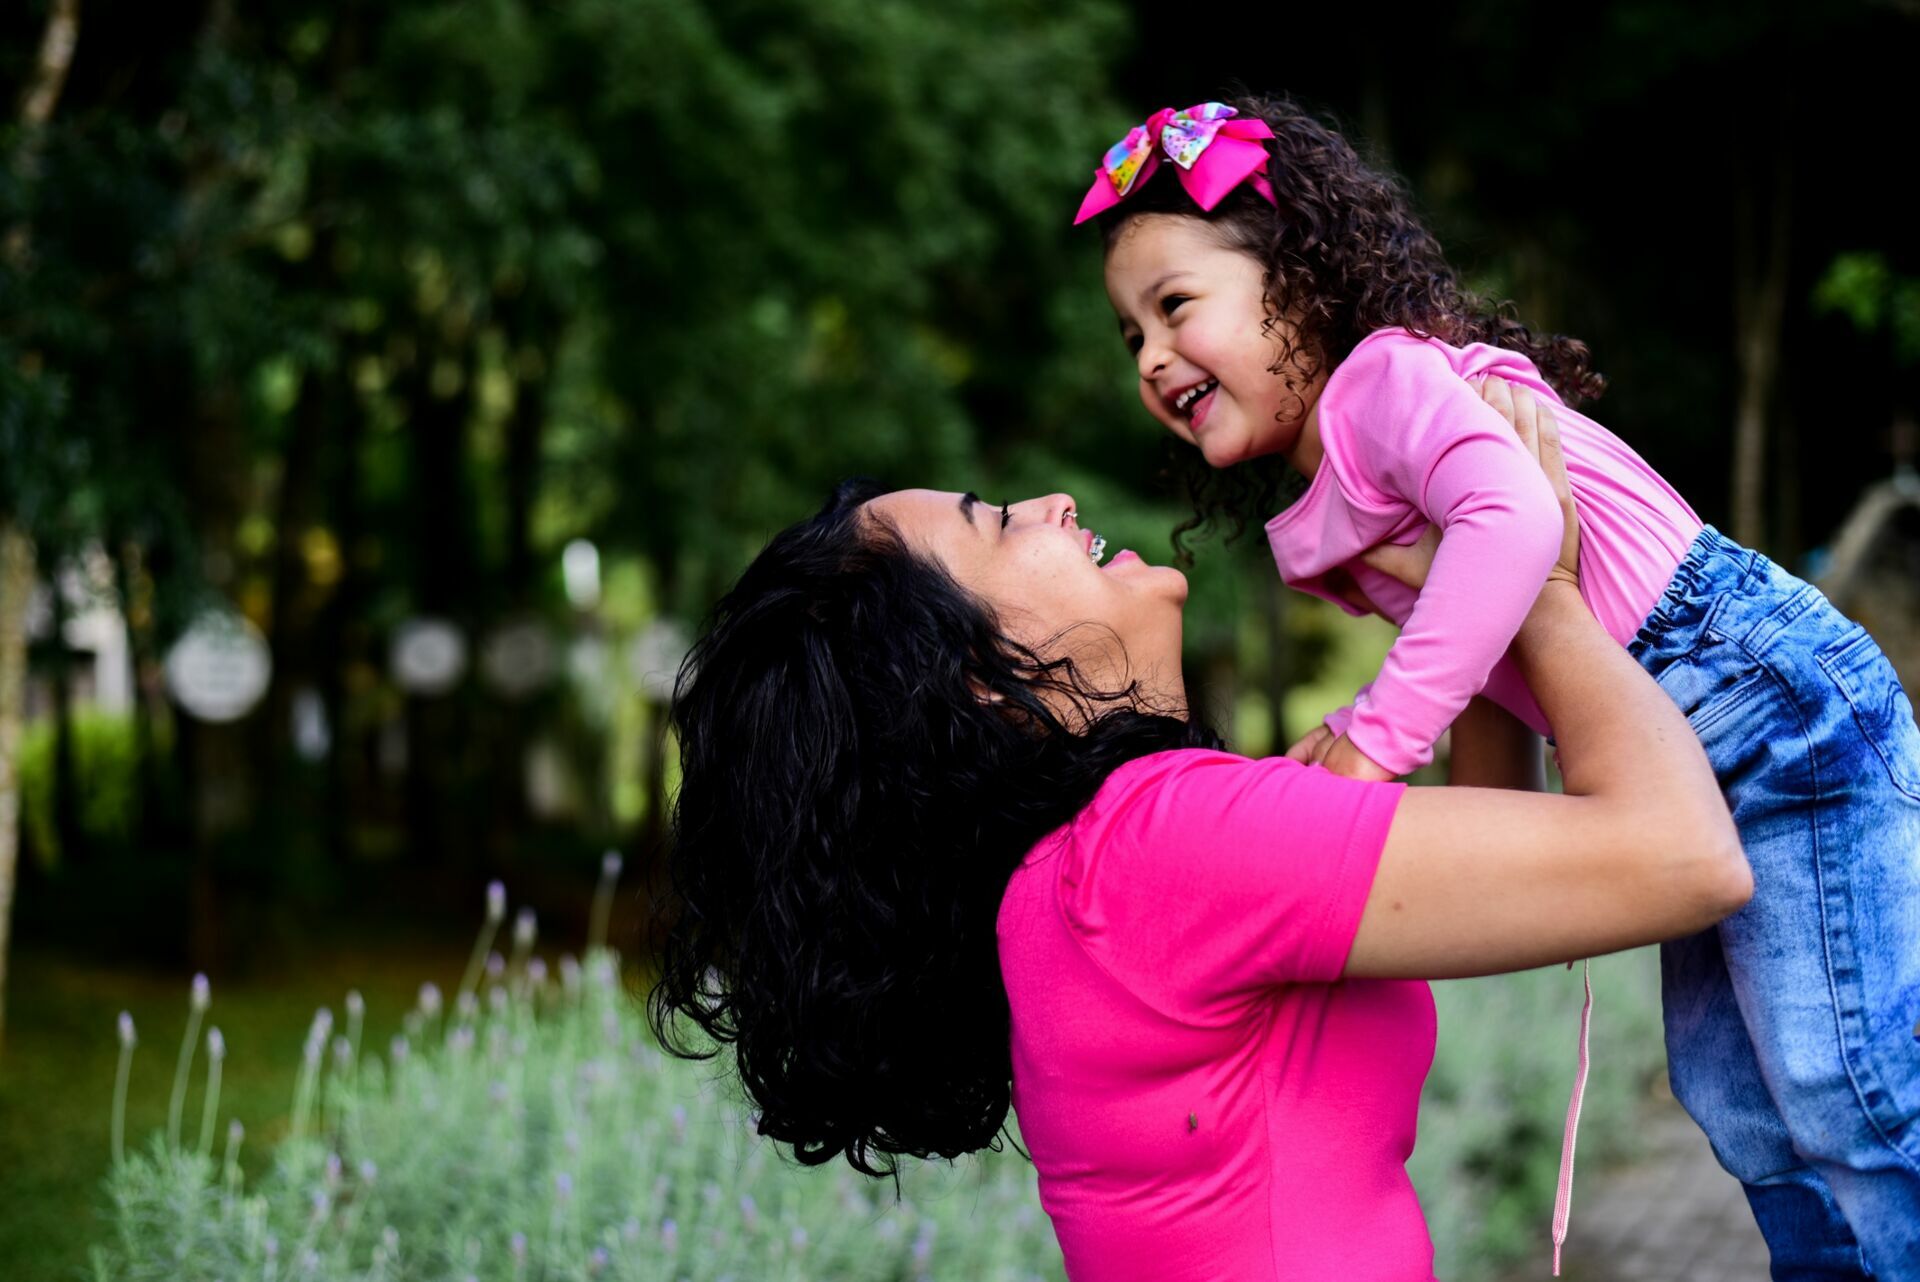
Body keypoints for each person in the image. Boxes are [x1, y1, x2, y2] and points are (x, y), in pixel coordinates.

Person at [1078, 95, 1920, 1278]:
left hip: (1758, 691)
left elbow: (1522, 521)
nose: (1156, 357)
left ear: (1300, 286)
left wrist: (1378, 735)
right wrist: (1409, 794)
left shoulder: (1381, 382)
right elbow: (1491, 668)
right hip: (1685, 735)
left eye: (1175, 307)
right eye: (1131, 337)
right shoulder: (1326, 499)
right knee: (1743, 1107)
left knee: (1850, 1093)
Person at [649, 386, 1750, 1281]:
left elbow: (1525, 870)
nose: (1053, 502)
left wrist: (1477, 598)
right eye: (996, 523)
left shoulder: (1100, 872)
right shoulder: (1159, 848)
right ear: (968, 682)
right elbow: (1682, 857)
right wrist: (1543, 578)